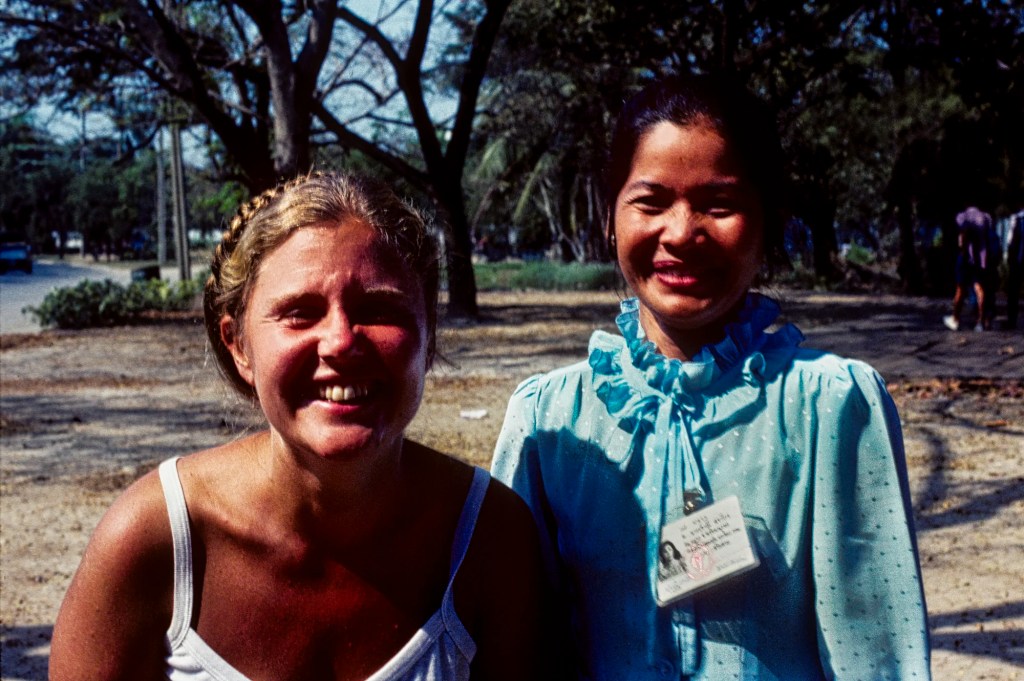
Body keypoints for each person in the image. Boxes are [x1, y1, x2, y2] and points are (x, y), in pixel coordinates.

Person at [492, 74, 931, 680]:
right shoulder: (548, 419)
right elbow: (515, 643)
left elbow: (875, 654)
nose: (681, 233)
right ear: (610, 217)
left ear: (769, 221)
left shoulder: (831, 405)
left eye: (719, 204)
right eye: (650, 202)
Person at [50, 171, 548, 681]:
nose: (341, 341)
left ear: (429, 335)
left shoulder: (489, 538)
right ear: (239, 345)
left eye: (379, 309)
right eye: (300, 313)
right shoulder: (157, 538)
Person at [944, 205, 994, 331]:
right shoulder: (985, 218)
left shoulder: (964, 217)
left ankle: (955, 319)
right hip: (981, 258)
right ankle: (980, 321)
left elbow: (962, 239)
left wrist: (963, 251)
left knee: (960, 289)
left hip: (966, 257)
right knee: (979, 288)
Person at [1005, 207, 1024, 330]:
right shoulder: (1017, 218)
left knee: (1013, 291)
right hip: (1017, 259)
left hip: (1017, 261)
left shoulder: (1016, 218)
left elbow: (1010, 241)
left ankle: (1011, 321)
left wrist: (1010, 259)